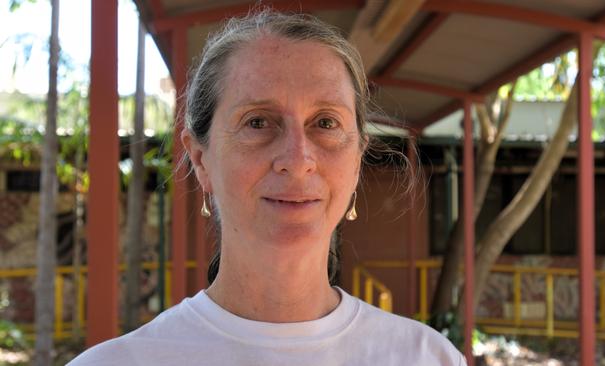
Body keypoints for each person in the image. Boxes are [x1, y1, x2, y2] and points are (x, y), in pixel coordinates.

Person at [69, 9, 466, 366]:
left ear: (358, 159)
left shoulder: (427, 358)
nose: (297, 159)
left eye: (326, 123)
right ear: (201, 159)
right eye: (258, 122)